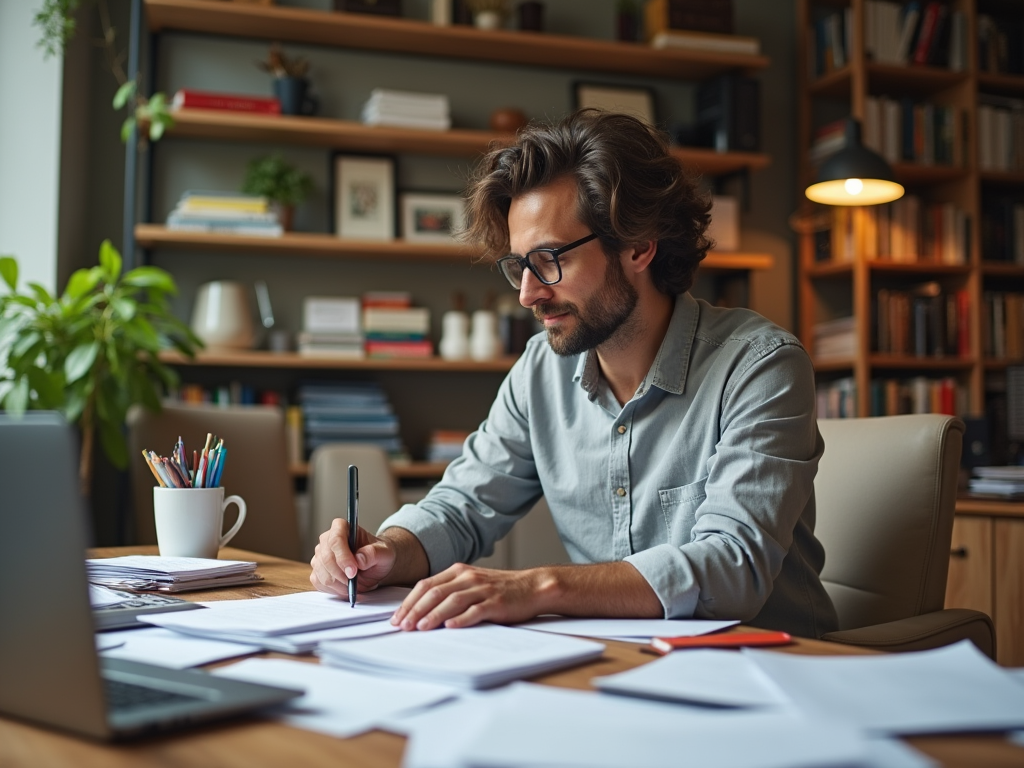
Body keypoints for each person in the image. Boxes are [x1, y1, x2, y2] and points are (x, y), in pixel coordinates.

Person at [310, 109, 839, 639]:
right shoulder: (539, 371)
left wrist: (538, 589)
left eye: (548, 260)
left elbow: (732, 568)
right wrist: (387, 551)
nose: (527, 293)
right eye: (519, 265)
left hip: (770, 670)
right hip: (614, 665)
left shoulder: (760, 366)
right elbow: (463, 507)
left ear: (637, 245)